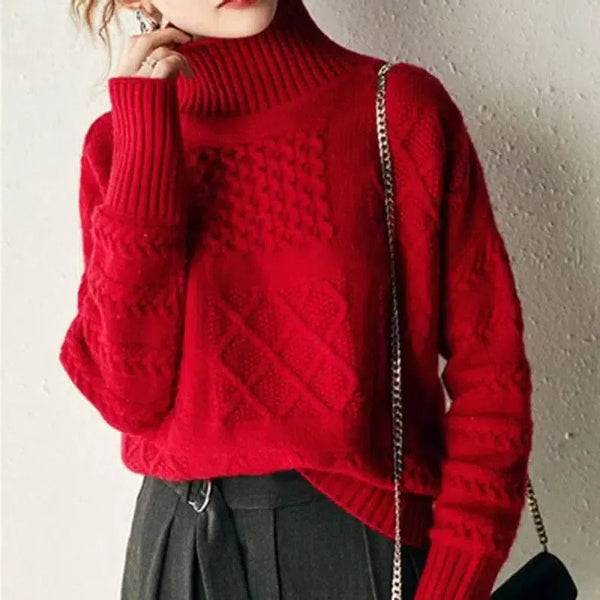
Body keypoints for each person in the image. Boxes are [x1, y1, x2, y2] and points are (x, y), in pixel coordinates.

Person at [60, 0, 534, 598]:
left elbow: (492, 373)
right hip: (177, 543)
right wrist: (145, 147)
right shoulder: (119, 145)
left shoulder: (397, 110)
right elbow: (130, 398)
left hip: (353, 546)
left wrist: (454, 584)